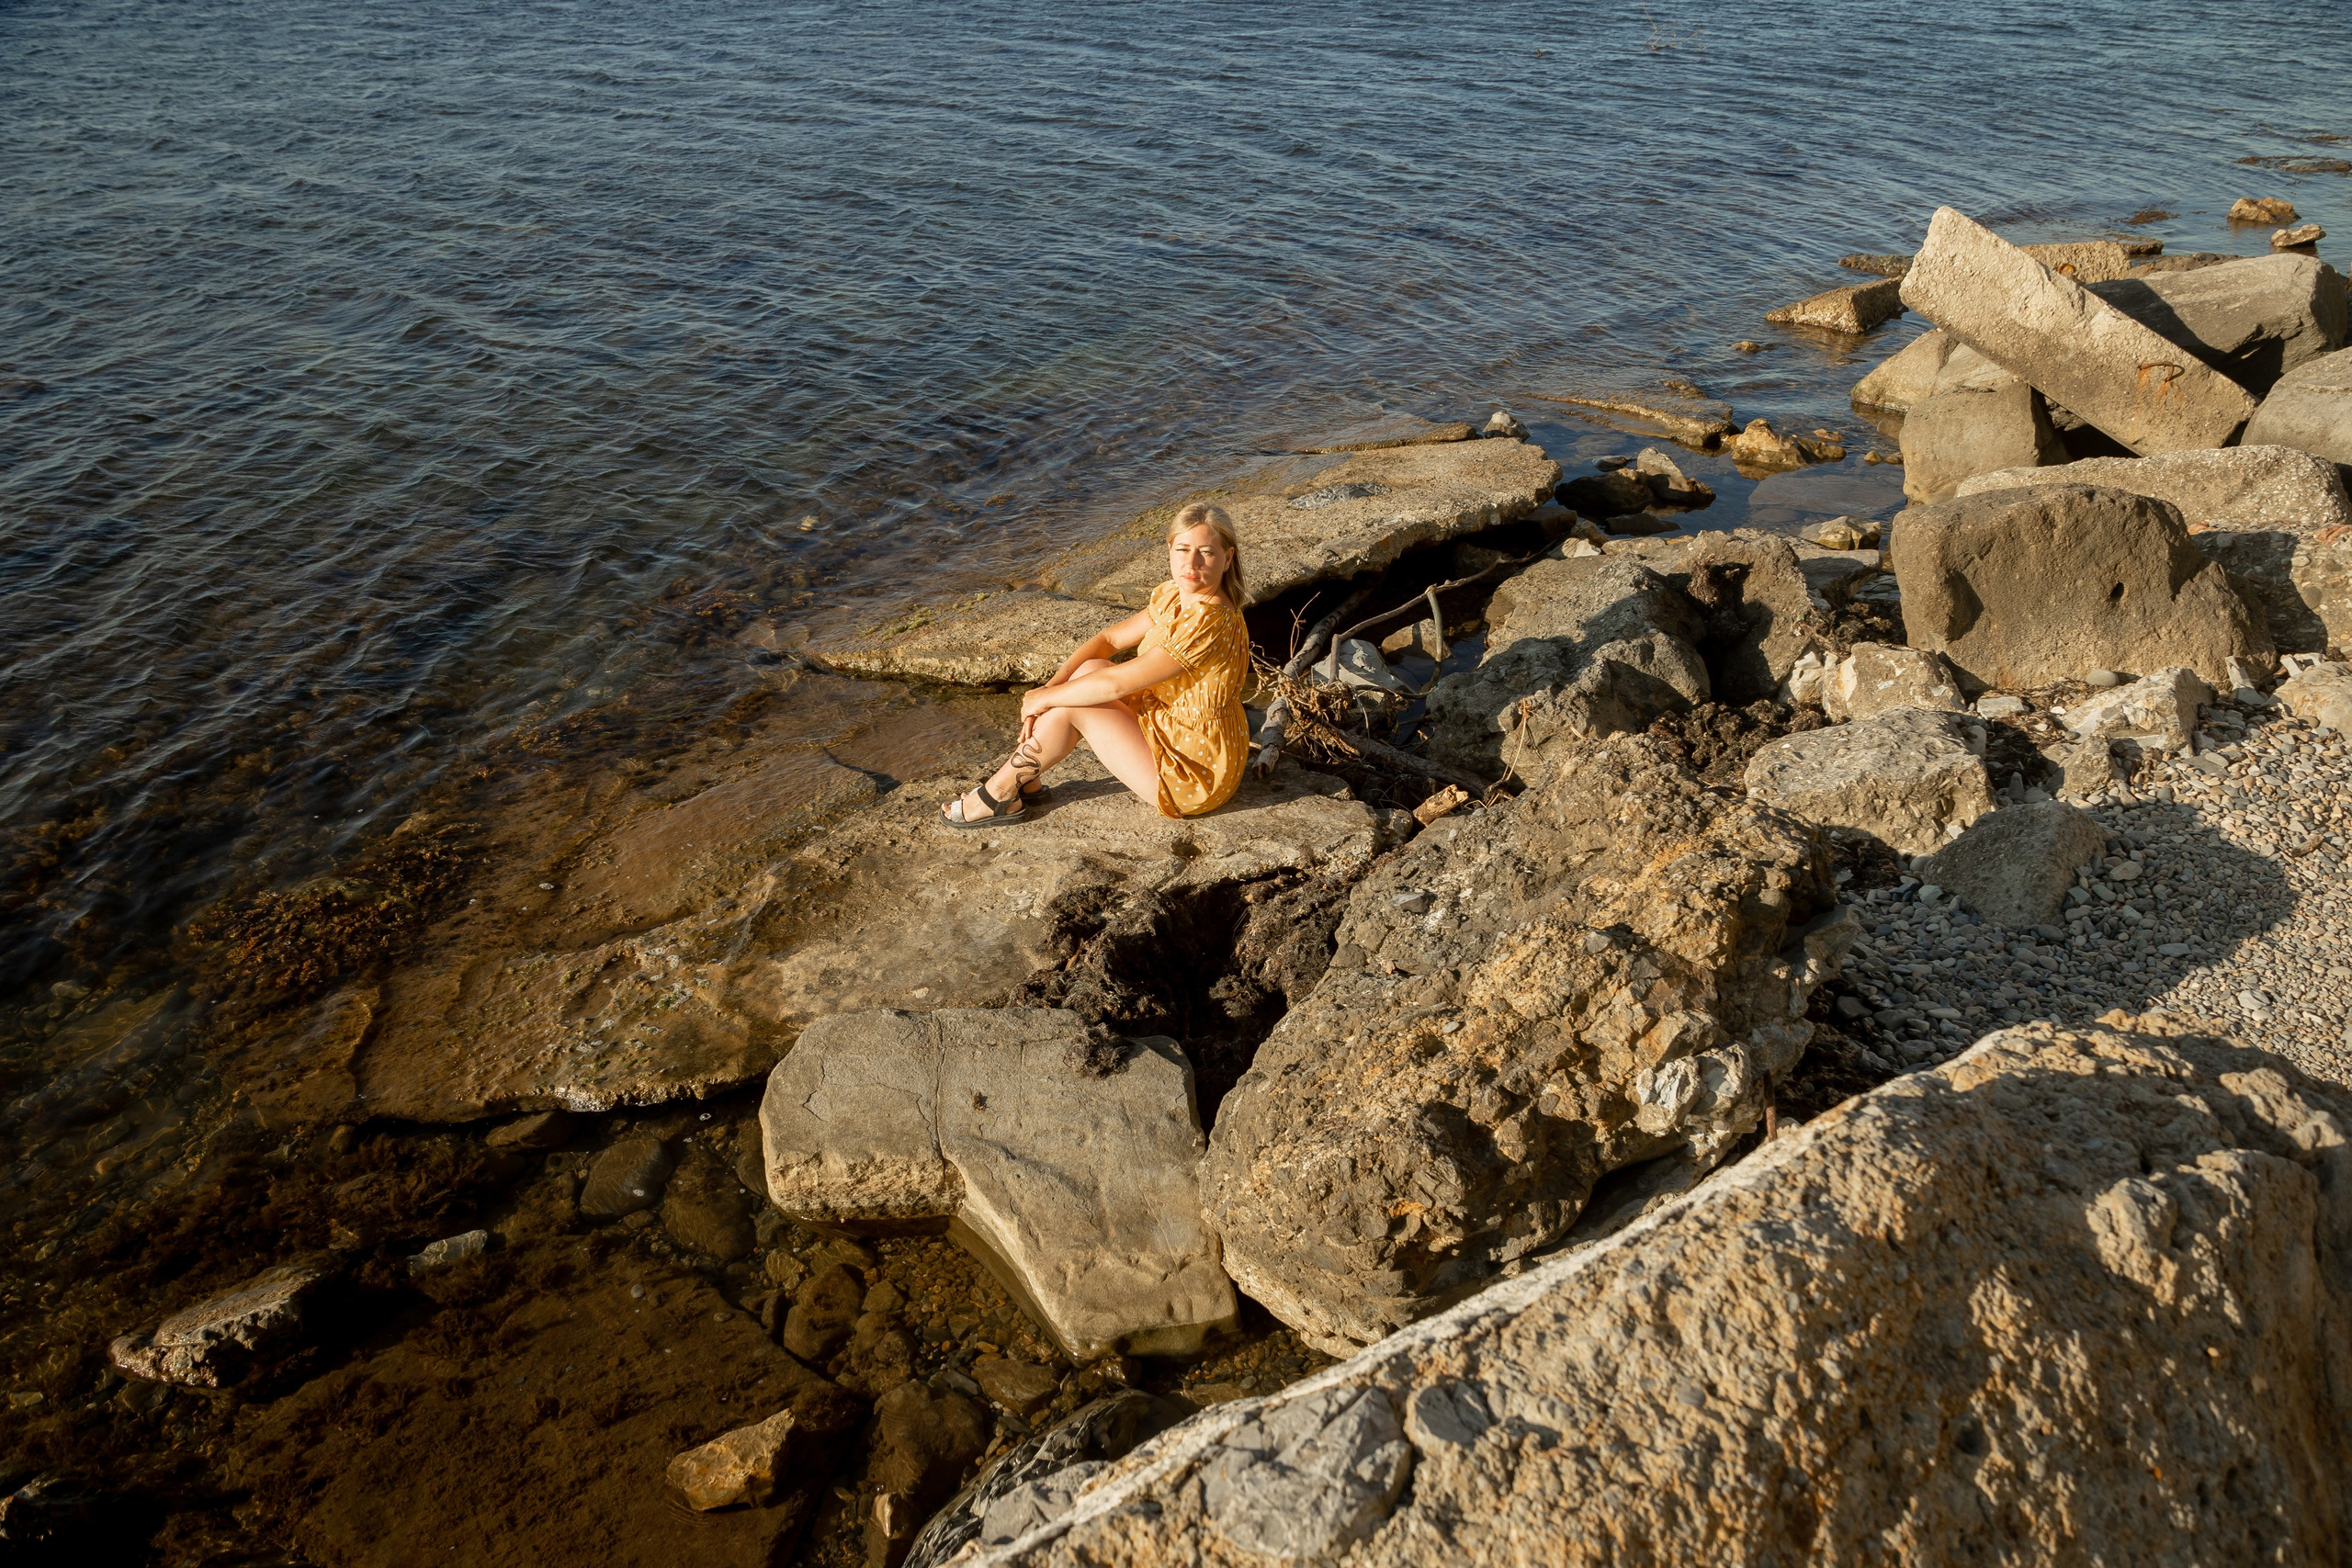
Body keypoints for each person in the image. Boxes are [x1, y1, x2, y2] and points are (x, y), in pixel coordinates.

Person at [942, 502, 1250, 828]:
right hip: (1170, 727)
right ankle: (1026, 780)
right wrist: (1049, 687)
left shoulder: (1208, 621)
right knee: (1091, 669)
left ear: (1227, 558)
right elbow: (1110, 640)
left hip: (1194, 770)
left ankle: (999, 792)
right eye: (1183, 549)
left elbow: (1117, 685)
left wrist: (1046, 699)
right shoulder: (1176, 596)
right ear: (1170, 550)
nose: (1192, 563)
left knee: (1077, 704)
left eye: (1206, 552)